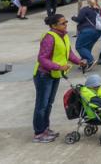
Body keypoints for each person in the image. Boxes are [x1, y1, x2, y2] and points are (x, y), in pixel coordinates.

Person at [32, 14, 85, 143]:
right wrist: (58, 67)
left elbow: (68, 53)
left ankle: (45, 128)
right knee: (42, 105)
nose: (66, 24)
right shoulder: (49, 38)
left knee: (48, 104)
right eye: (63, 23)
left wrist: (79, 61)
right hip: (44, 75)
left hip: (55, 74)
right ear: (54, 25)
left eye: (66, 22)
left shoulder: (64, 35)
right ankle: (39, 133)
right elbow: (42, 58)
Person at [71, 0, 101, 72]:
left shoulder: (85, 9)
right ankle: (84, 64)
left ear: (87, 0)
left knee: (79, 46)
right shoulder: (99, 10)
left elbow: (79, 19)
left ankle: (90, 60)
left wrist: (73, 17)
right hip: (97, 31)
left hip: (87, 31)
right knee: (87, 47)